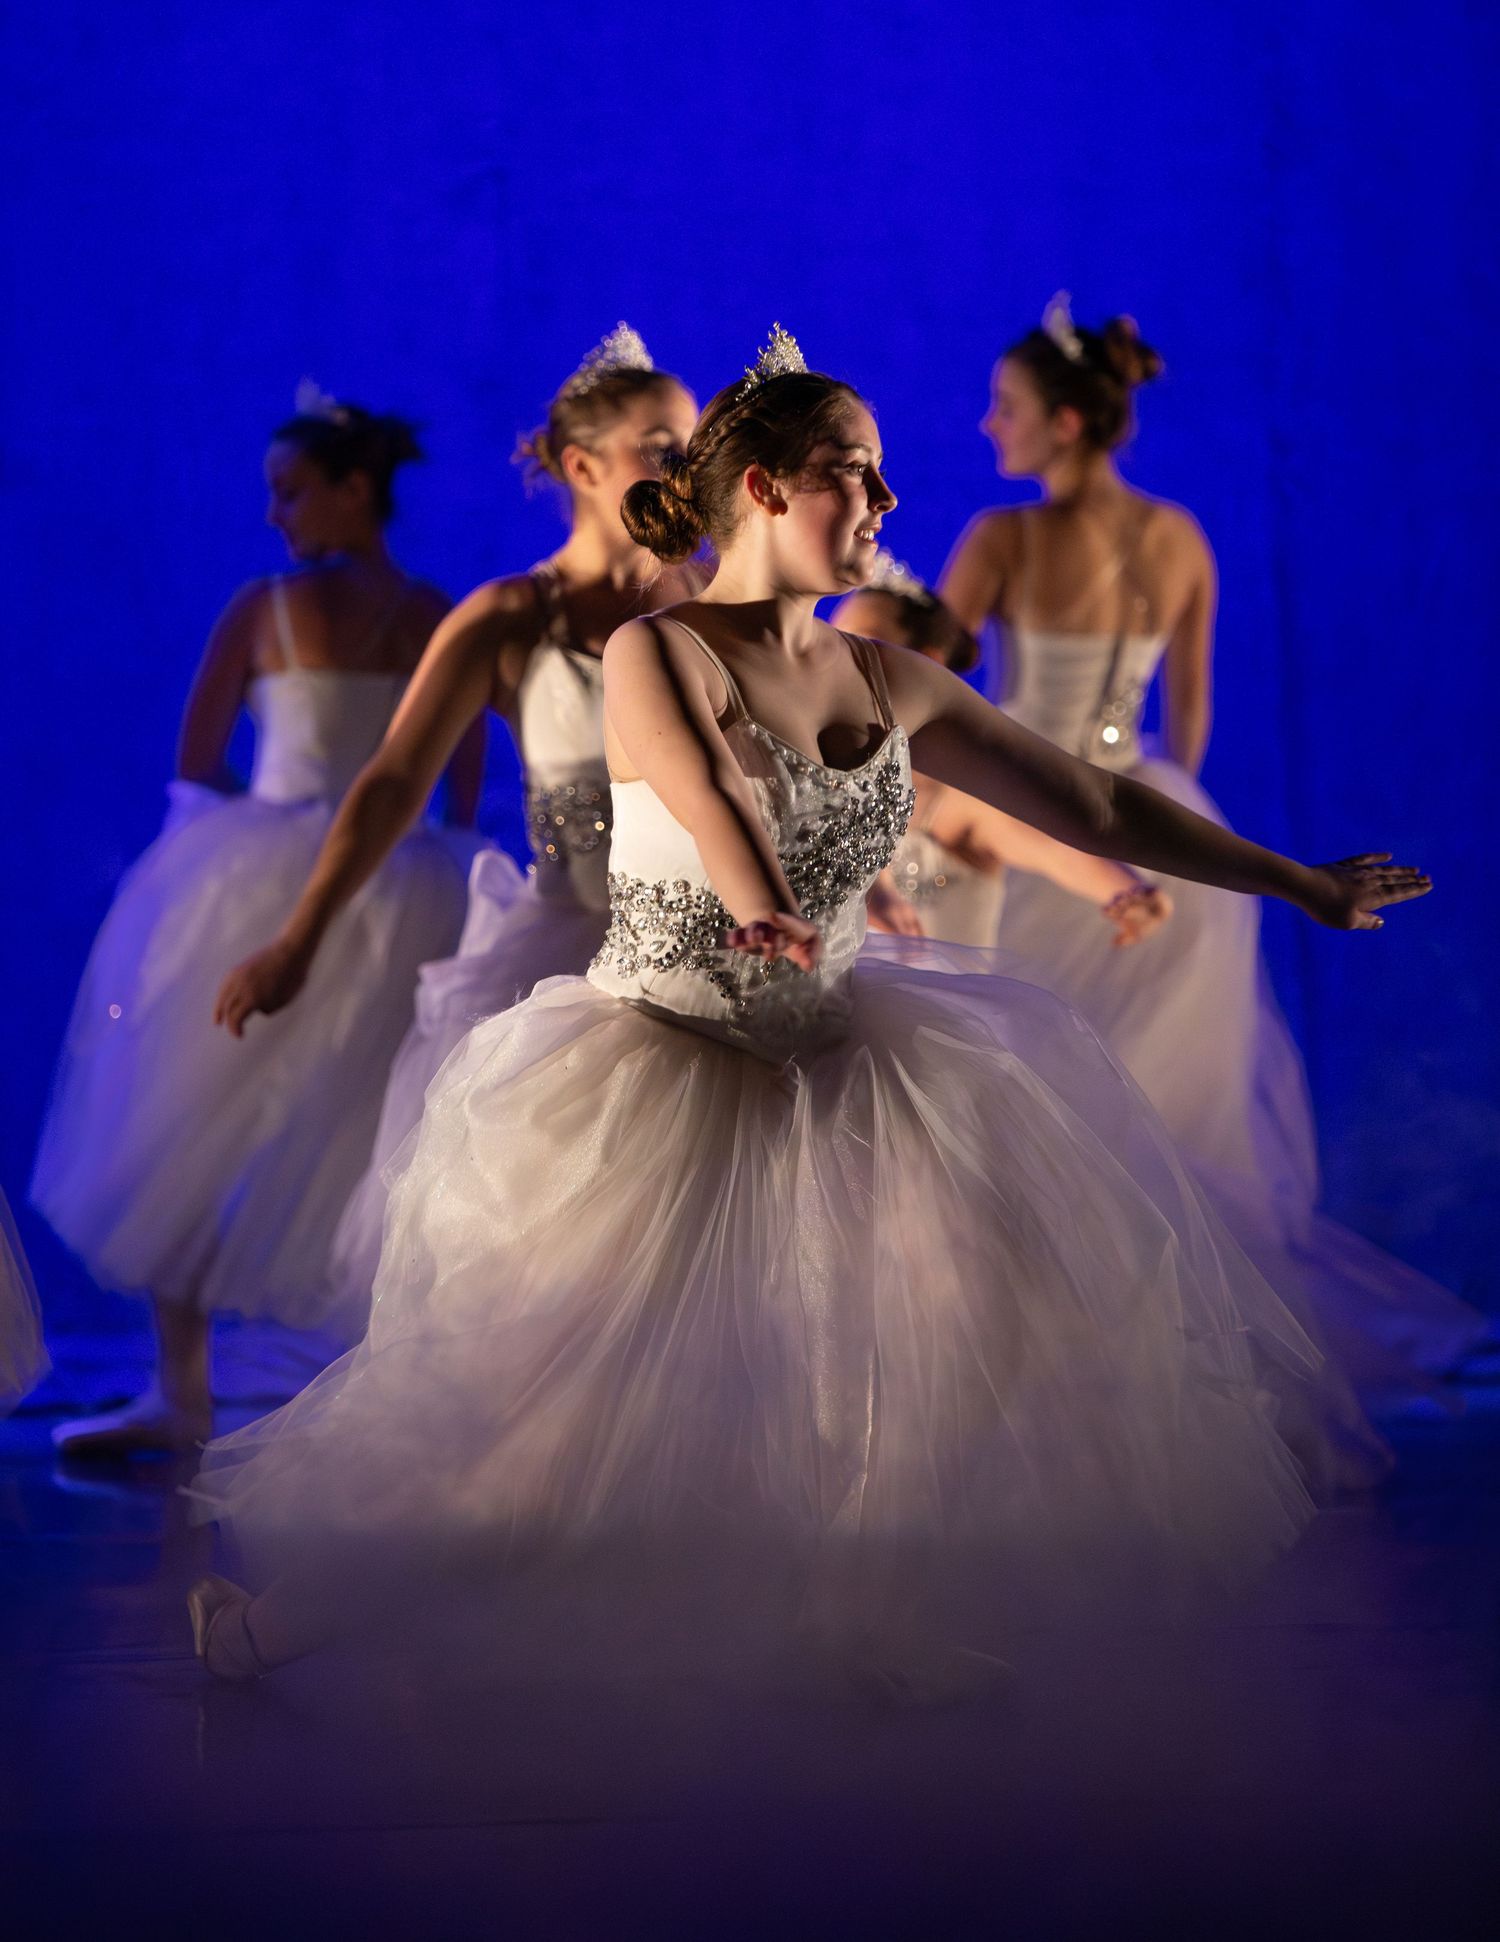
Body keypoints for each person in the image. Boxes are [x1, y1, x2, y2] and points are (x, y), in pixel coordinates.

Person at [189, 330, 1429, 1691]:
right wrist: (761, 896)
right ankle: (263, 1628)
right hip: (663, 1073)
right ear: (770, 489)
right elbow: (704, 786)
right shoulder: (664, 649)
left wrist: (1297, 879)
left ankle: (862, 1617)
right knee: (547, 1445)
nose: (888, 504)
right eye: (856, 473)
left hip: (839, 1061)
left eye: (884, 476)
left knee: (919, 1353)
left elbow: (1091, 799)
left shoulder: (883, 677)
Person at [939, 296, 1484, 1404]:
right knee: (1158, 1108)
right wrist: (1175, 821)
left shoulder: (1002, 539)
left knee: (1043, 1104)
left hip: (1047, 819)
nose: (988, 425)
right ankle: (1183, 1359)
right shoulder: (1181, 536)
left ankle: (1064, 1365)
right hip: (1170, 819)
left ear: (1067, 423)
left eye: (1007, 407)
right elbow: (1188, 715)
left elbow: (930, 691)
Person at [32, 385, 482, 1456]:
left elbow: (197, 761)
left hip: (263, 867)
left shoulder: (270, 608)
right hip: (399, 880)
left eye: (291, 491)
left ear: (351, 488)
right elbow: (457, 777)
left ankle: (191, 1389)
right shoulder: (427, 613)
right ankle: (234, 1391)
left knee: (191, 1112)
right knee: (294, 1118)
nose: (277, 513)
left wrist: (241, 841)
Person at [242, 329, 703, 1316]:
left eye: (692, 449)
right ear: (582, 467)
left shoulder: (713, 607)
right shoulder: (508, 617)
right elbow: (393, 780)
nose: (687, 471)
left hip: (709, 957)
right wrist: (299, 938)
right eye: (661, 448)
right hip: (569, 963)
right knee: (553, 1265)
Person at [837, 553, 1172, 950]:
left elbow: (1046, 845)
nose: (843, 655)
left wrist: (1126, 891)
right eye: (836, 638)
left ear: (926, 662)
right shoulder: (822, 779)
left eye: (866, 640)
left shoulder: (954, 801)